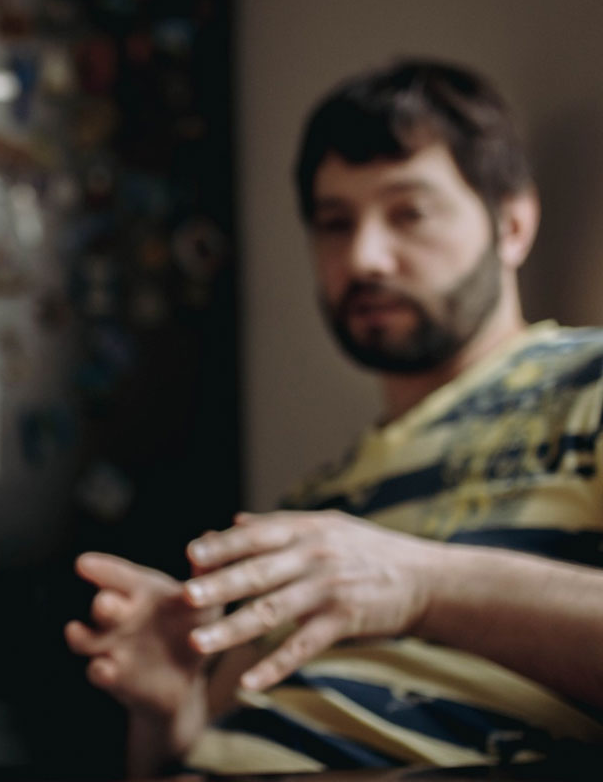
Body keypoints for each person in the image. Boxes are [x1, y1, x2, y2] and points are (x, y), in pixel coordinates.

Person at [65, 59, 603, 774]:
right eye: (333, 223)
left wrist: (422, 584)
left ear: (513, 224)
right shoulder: (319, 510)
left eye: (408, 212)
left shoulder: (589, 383)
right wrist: (168, 711)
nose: (364, 257)